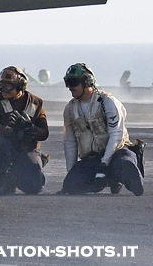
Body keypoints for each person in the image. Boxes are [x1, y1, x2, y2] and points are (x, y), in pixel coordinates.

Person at [60, 63, 143, 196]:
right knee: (71, 186)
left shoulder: (107, 102)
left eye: (73, 82)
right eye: (67, 82)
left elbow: (116, 134)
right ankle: (105, 179)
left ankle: (124, 177)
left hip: (117, 152)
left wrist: (104, 163)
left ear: (87, 82)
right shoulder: (70, 109)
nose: (70, 87)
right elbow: (69, 142)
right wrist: (71, 172)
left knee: (124, 163)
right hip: (92, 158)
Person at [0, 66, 49, 194]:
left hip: (27, 149)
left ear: (20, 86)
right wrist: (7, 130)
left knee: (34, 187)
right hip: (6, 147)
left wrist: (30, 129)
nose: (3, 90)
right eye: (0, 86)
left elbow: (44, 132)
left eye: (7, 86)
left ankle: (32, 167)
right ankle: (1, 178)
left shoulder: (35, 103)